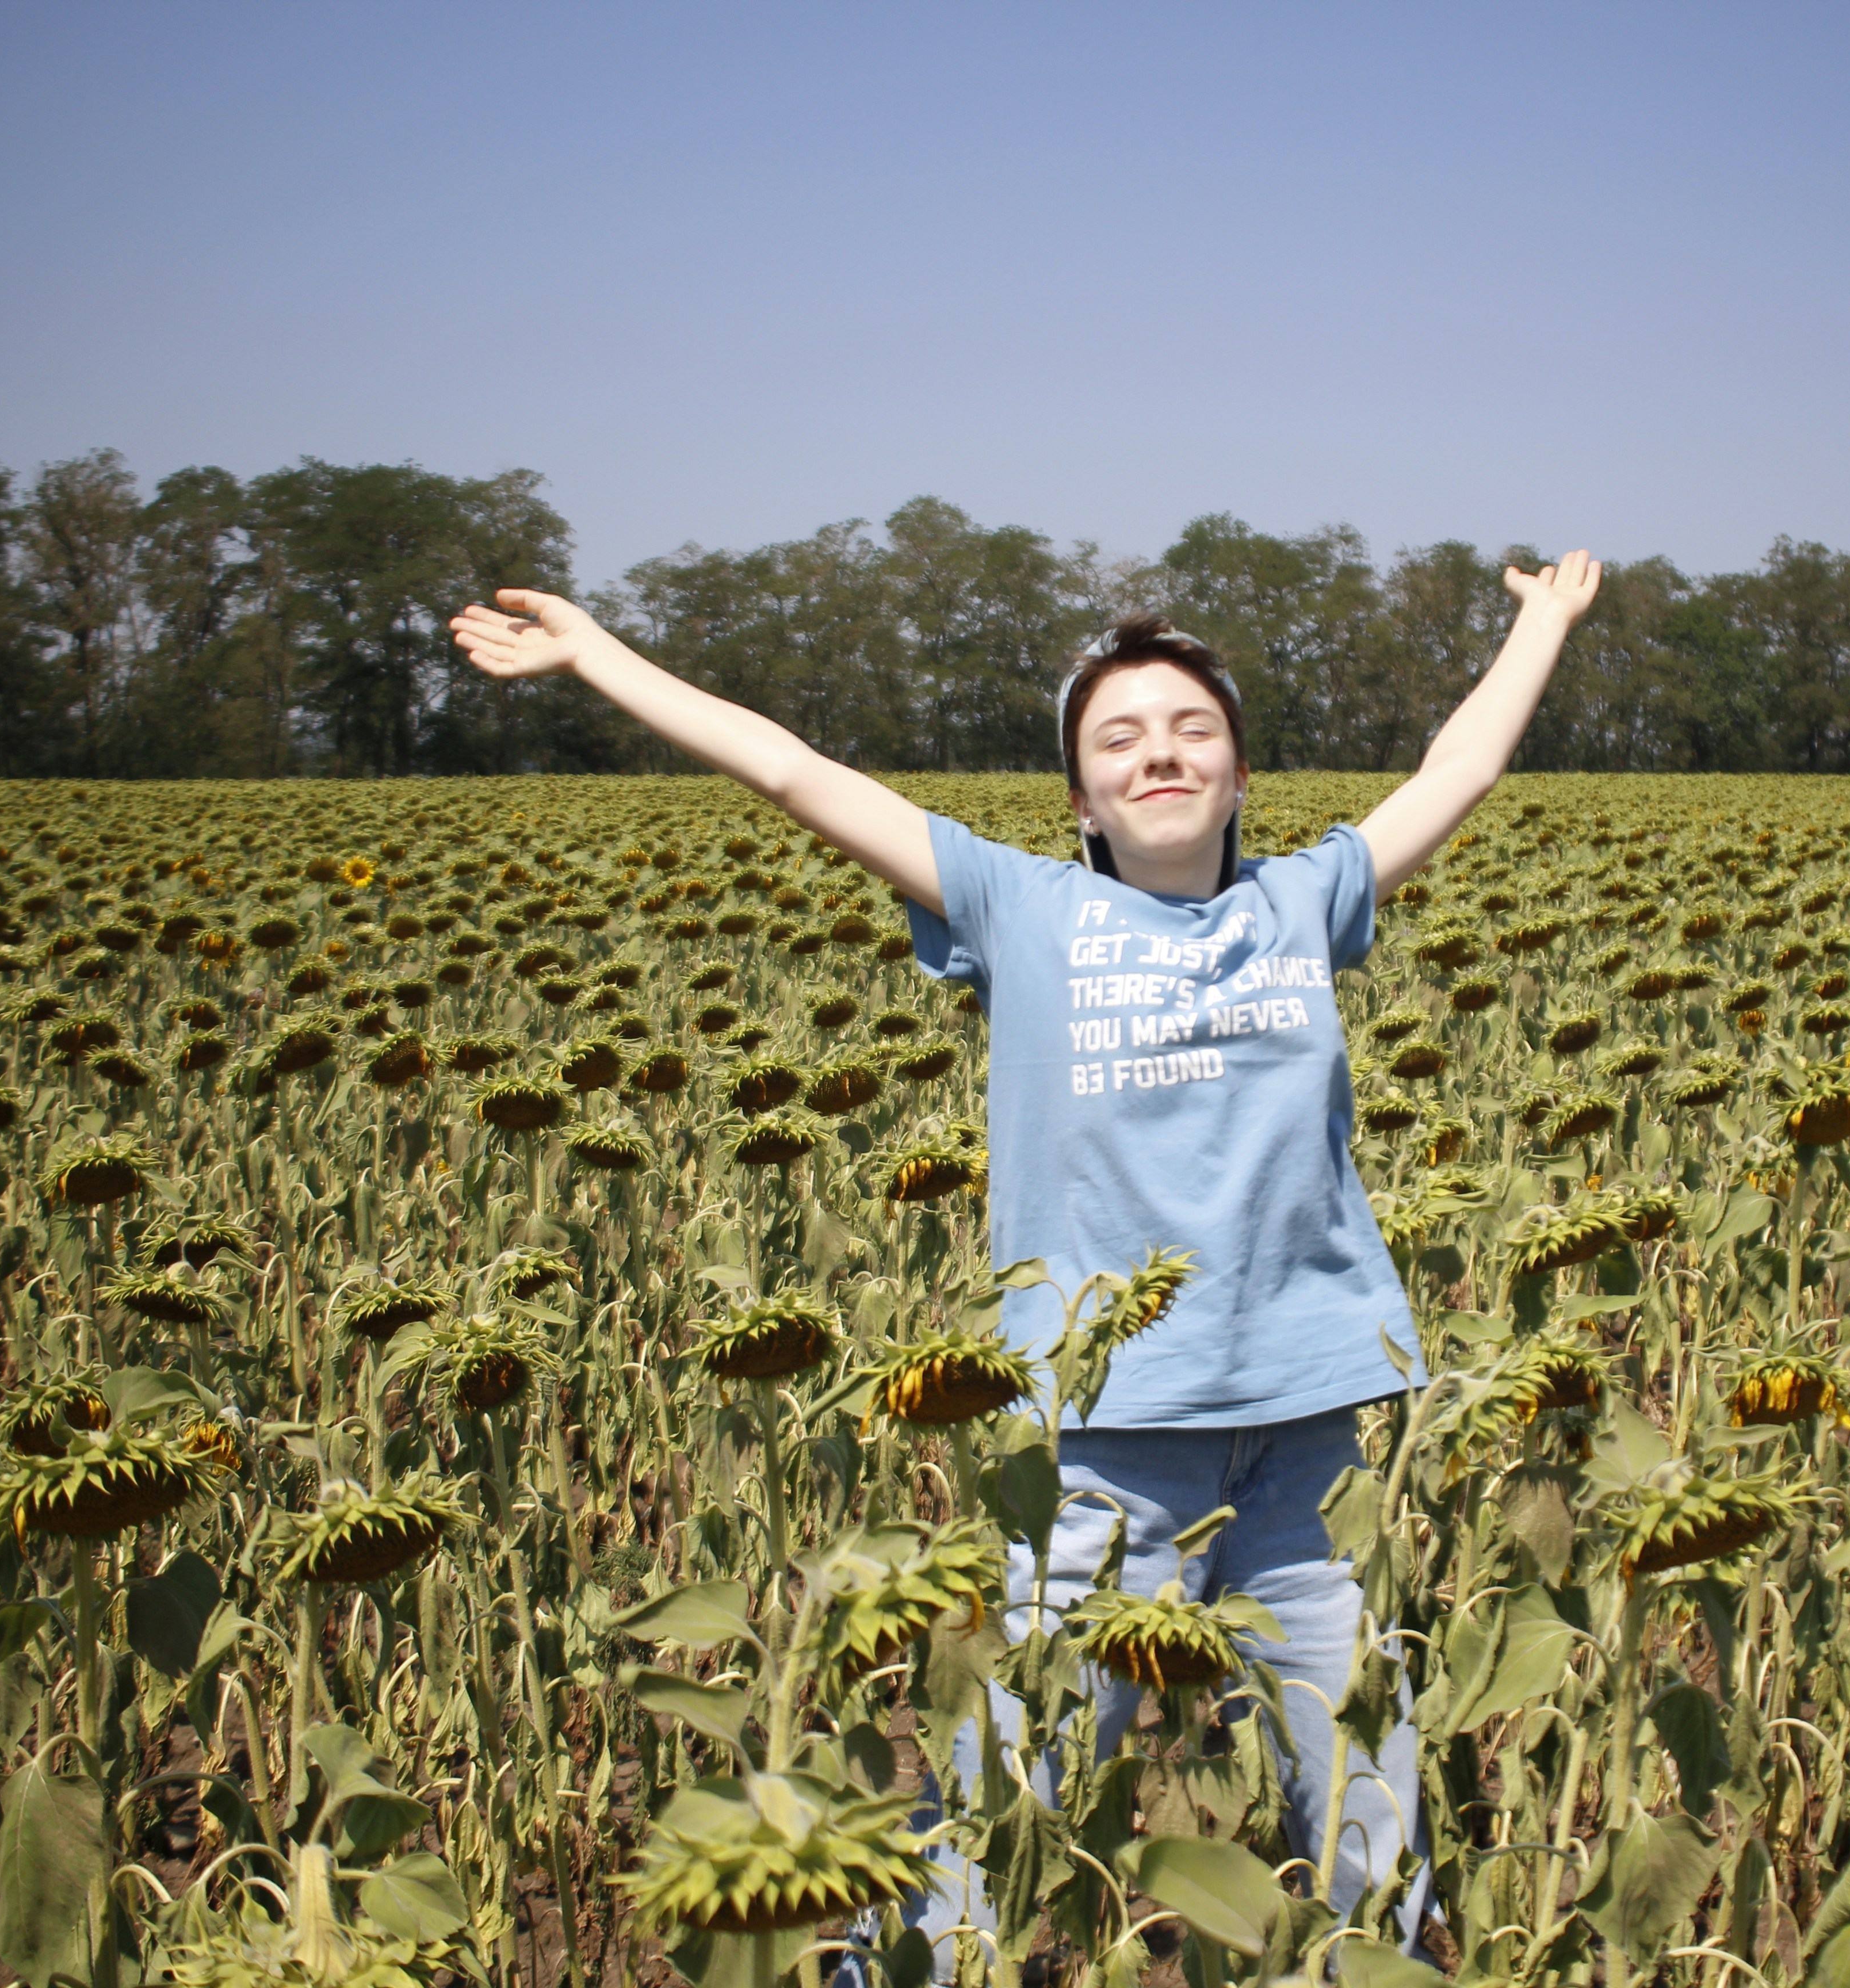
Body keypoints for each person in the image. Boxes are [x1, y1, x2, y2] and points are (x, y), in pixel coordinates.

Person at [447, 552, 1603, 1948]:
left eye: (1193, 731)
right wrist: (596, 656)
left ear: (1240, 777)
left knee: (1366, 1799)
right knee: (1012, 1796)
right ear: (1080, 800)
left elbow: (1456, 772)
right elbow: (793, 771)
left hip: (1306, 1448)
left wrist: (1539, 622)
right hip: (1106, 1447)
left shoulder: (1306, 902)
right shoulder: (1019, 907)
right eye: (1117, 738)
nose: (1158, 753)